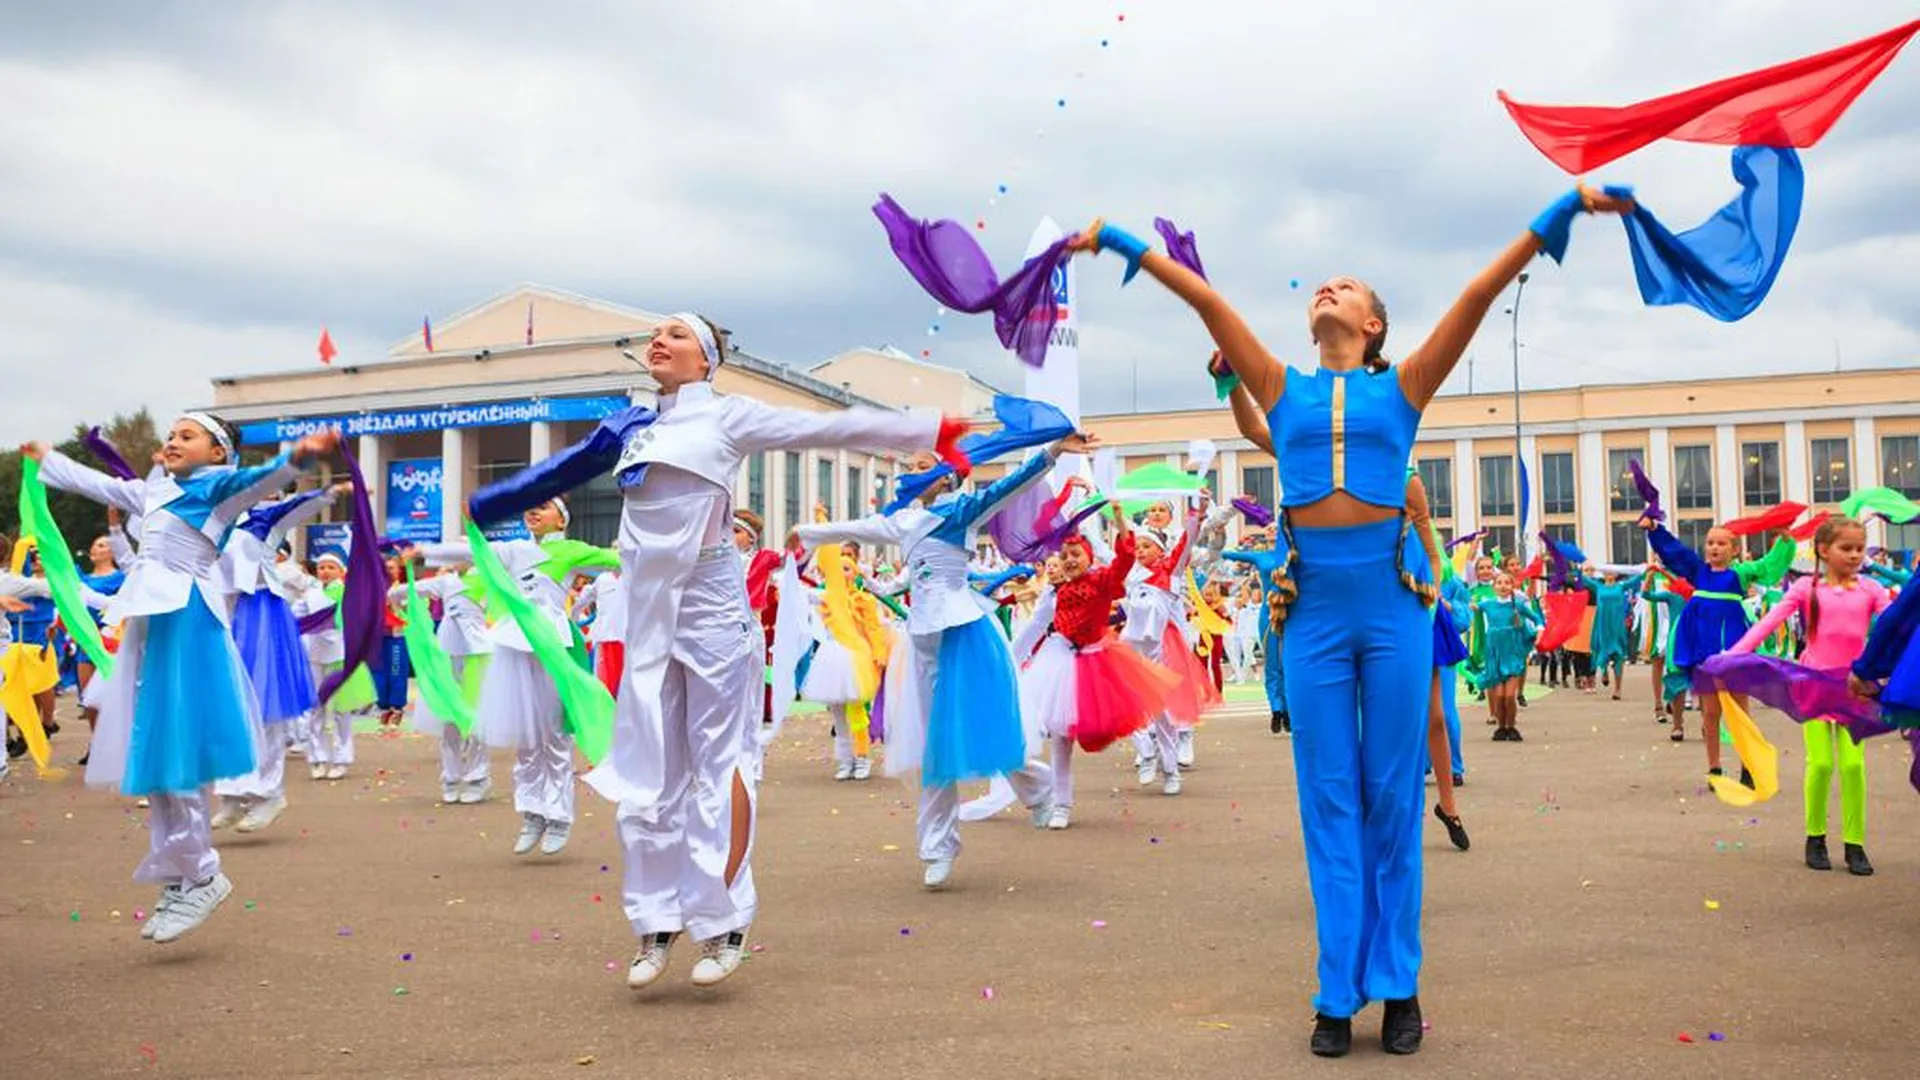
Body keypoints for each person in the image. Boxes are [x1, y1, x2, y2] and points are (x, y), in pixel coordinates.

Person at [1071, 181, 1632, 1057]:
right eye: (1321, 286)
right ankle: (1338, 989)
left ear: (1373, 324)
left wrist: (1560, 214)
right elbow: (1210, 301)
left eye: (1348, 287)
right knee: (1328, 797)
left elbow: (1477, 297)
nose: (1329, 290)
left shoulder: (1403, 387)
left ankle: (1398, 983)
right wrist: (1120, 242)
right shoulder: (1282, 388)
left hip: (1392, 606)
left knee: (1388, 794)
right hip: (1315, 613)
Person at [462, 312, 961, 991]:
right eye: (655, 334)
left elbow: (827, 427)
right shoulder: (629, 426)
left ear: (706, 359)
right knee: (646, 767)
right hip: (647, 616)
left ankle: (724, 917)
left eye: (676, 333)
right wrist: (487, 503)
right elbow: (562, 468)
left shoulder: (728, 418)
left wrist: (927, 428)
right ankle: (653, 921)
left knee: (717, 764)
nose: (658, 340)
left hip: (713, 612)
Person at [24, 417, 338, 943]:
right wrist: (47, 460)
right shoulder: (156, 489)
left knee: (179, 752)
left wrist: (297, 459)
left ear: (218, 454)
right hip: (154, 624)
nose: (172, 440)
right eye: (171, 433)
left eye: (187, 436)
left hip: (188, 618)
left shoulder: (216, 488)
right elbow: (99, 484)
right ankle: (182, 873)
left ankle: (202, 874)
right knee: (158, 757)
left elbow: (256, 484)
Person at [794, 434, 1094, 886]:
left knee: (985, 724)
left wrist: (1052, 452)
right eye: (908, 465)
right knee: (935, 745)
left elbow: (1010, 485)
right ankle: (937, 846)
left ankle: (1039, 788)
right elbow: (854, 527)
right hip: (923, 641)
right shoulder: (899, 521)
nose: (908, 472)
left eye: (919, 466)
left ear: (945, 478)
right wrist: (807, 535)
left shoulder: (960, 511)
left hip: (964, 633)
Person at [1727, 517, 1887, 875]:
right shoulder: (1805, 588)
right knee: (1821, 763)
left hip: (1854, 688)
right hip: (1814, 686)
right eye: (1846, 548)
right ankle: (1815, 837)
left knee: (1852, 765)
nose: (1855, 555)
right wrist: (1734, 655)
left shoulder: (1871, 590)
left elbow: (1893, 626)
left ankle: (1855, 843)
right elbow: (1768, 623)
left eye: (1859, 549)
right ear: (1824, 551)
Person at [1640, 519, 1794, 777]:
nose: (1714, 547)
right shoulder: (1698, 571)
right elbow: (1675, 551)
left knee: (1740, 710)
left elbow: (1769, 565)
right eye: (1710, 543)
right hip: (1704, 650)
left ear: (1734, 550)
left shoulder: (1741, 573)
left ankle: (1747, 765)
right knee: (1710, 712)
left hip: (1734, 650)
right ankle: (1714, 767)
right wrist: (1655, 529)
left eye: (1721, 543)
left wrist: (1785, 543)